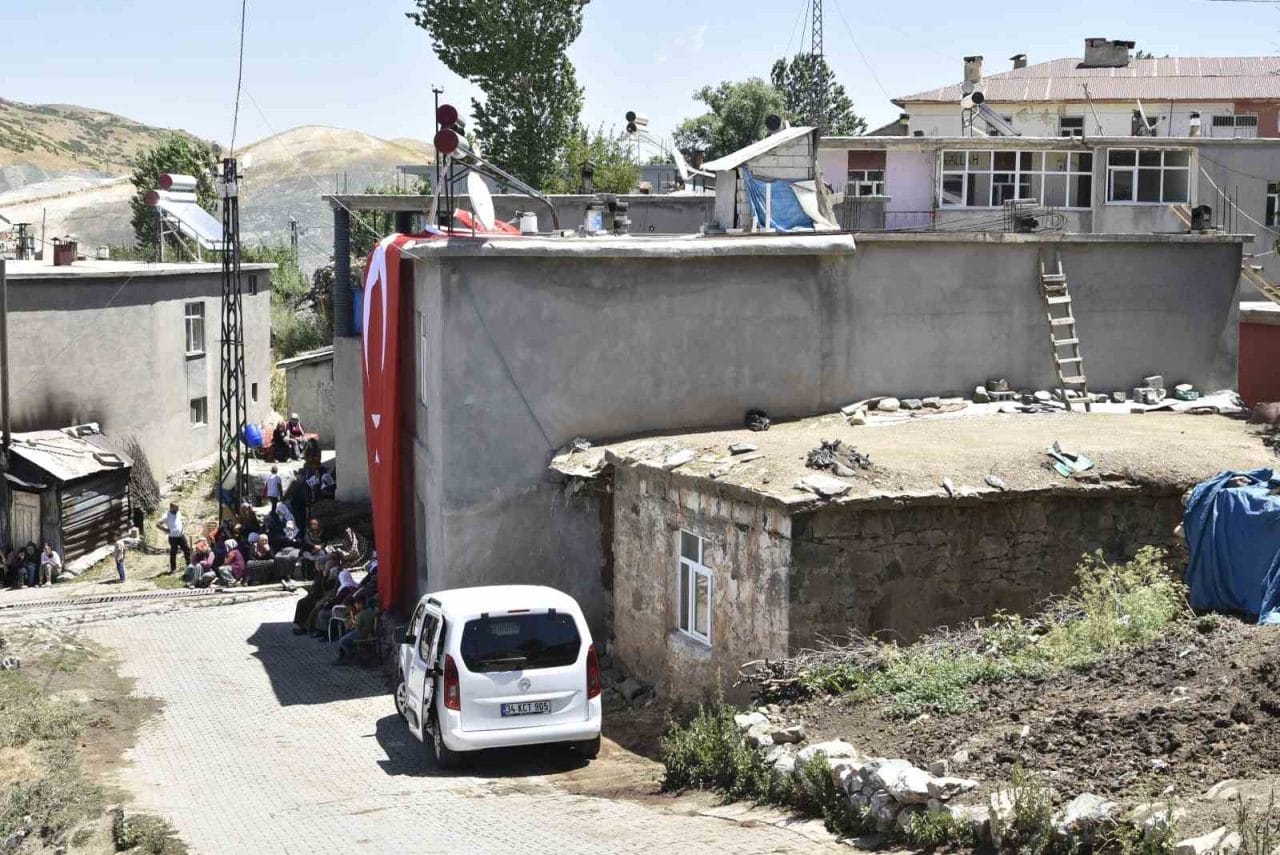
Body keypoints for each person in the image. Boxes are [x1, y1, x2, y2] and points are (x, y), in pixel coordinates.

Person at [336, 594, 374, 664]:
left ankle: (349, 656)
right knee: (345, 636)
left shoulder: (361, 614)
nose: (355, 606)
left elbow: (357, 626)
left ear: (360, 604)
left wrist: (351, 624)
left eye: (356, 604)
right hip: (367, 632)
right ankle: (344, 657)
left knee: (342, 641)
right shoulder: (370, 611)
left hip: (360, 633)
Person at [156, 502, 190, 575]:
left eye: (178, 508)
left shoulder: (178, 513)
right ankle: (173, 569)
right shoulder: (166, 516)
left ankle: (189, 565)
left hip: (181, 535)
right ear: (171, 508)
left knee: (187, 549)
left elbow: (179, 520)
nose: (178, 509)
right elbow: (158, 524)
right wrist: (165, 529)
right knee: (173, 552)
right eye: (176, 508)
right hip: (173, 537)